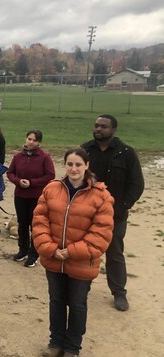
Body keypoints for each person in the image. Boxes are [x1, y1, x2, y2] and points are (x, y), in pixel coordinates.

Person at [32, 148, 114, 357]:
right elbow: (40, 222)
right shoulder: (52, 189)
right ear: (65, 165)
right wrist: (51, 248)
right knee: (56, 301)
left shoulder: (101, 196)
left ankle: (72, 347)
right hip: (54, 259)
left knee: (77, 305)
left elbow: (101, 234)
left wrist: (71, 252)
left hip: (81, 262)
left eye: (78, 164)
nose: (74, 169)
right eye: (70, 164)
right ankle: (56, 342)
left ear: (87, 166)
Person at [81, 114, 144, 311]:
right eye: (96, 125)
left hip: (115, 216)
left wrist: (123, 205)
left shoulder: (126, 153)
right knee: (85, 251)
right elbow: (75, 176)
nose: (98, 129)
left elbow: (137, 183)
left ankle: (119, 292)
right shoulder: (85, 150)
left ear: (113, 130)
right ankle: (81, 286)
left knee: (114, 253)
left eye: (103, 126)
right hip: (87, 213)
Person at [6, 130, 55, 268]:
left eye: (34, 140)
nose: (31, 142)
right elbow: (10, 173)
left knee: (35, 226)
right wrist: (18, 181)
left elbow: (50, 175)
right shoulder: (17, 157)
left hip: (36, 197)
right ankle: (23, 250)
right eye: (29, 139)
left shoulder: (44, 157)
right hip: (20, 195)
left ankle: (34, 254)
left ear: (39, 142)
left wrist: (32, 183)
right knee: (22, 224)